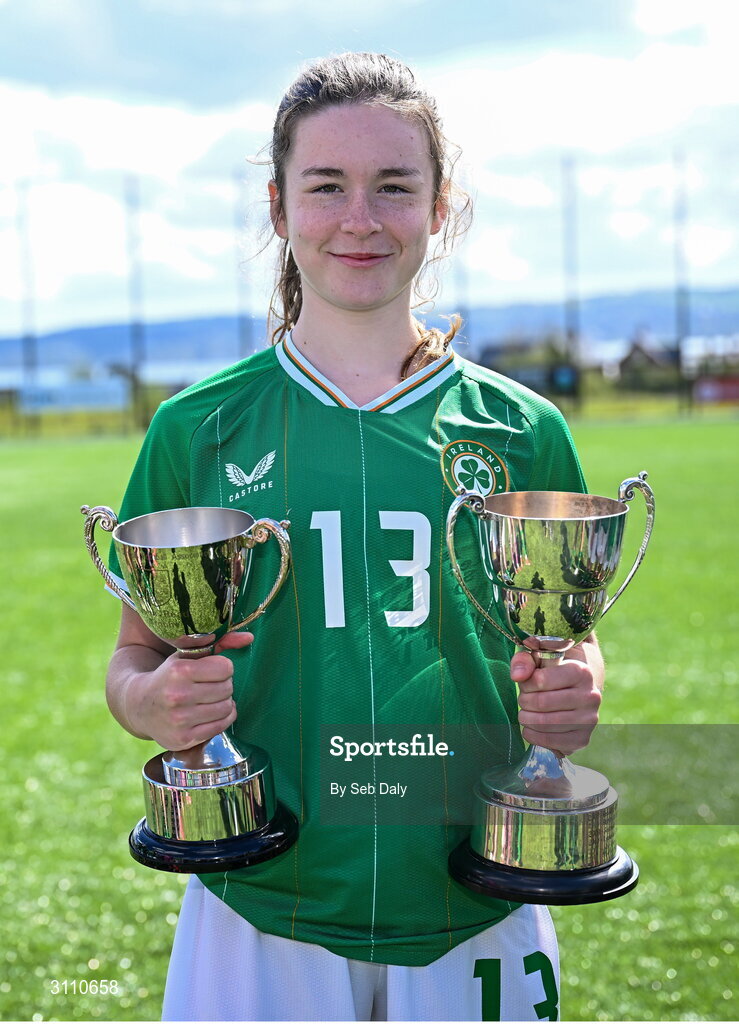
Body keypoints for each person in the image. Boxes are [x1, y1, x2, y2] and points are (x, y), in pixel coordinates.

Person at [104, 52, 604, 1022]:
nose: (360, 219)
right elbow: (131, 662)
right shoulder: (195, 429)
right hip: (263, 899)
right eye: (326, 186)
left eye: (393, 187)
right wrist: (155, 702)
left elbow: (568, 633)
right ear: (280, 208)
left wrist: (581, 684)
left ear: (439, 207)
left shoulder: (524, 430)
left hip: (476, 892)